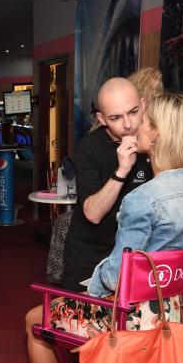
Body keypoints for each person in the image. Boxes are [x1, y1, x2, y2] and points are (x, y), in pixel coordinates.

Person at [0, 93, 183, 363]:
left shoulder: (142, 198)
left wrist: (91, 285)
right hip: (171, 314)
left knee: (35, 318)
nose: (135, 127)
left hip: (128, 321)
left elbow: (116, 277)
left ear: (156, 134)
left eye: (143, 121)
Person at [60, 77, 153, 292]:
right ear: (102, 119)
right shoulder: (88, 149)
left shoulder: (154, 142)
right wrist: (122, 171)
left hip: (138, 256)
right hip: (90, 258)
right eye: (116, 117)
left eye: (133, 112)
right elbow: (93, 213)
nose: (128, 124)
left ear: (143, 105)